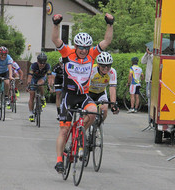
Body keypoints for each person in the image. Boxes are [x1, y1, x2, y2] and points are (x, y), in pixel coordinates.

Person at [51, 13, 114, 173]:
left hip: (83, 96)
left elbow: (106, 41)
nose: (84, 50)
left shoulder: (92, 54)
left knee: (93, 113)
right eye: (81, 47)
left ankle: (79, 131)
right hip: (68, 96)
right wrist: (56, 24)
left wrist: (110, 24)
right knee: (64, 130)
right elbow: (55, 40)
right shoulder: (67, 53)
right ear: (76, 46)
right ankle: (59, 161)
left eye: (86, 48)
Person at [88, 52, 119, 121]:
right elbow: (86, 86)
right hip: (89, 92)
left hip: (101, 93)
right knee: (89, 112)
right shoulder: (92, 70)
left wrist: (113, 104)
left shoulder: (112, 72)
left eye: (108, 66)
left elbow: (112, 88)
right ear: (98, 64)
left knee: (104, 109)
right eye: (103, 66)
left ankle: (99, 126)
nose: (106, 68)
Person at [27, 52, 53, 122]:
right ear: (37, 61)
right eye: (40, 63)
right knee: (32, 95)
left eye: (43, 63)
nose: (42, 65)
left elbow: (49, 77)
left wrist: (50, 86)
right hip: (34, 78)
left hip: (42, 77)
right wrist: (28, 85)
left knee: (40, 83)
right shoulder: (33, 66)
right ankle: (31, 113)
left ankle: (42, 97)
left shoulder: (48, 66)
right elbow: (29, 76)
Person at [141, 48, 153, 125]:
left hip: (152, 81)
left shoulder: (154, 56)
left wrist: (151, 54)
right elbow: (142, 61)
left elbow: (154, 62)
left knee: (151, 101)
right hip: (148, 80)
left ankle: (151, 119)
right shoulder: (148, 56)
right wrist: (146, 53)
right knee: (149, 100)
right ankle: (149, 120)